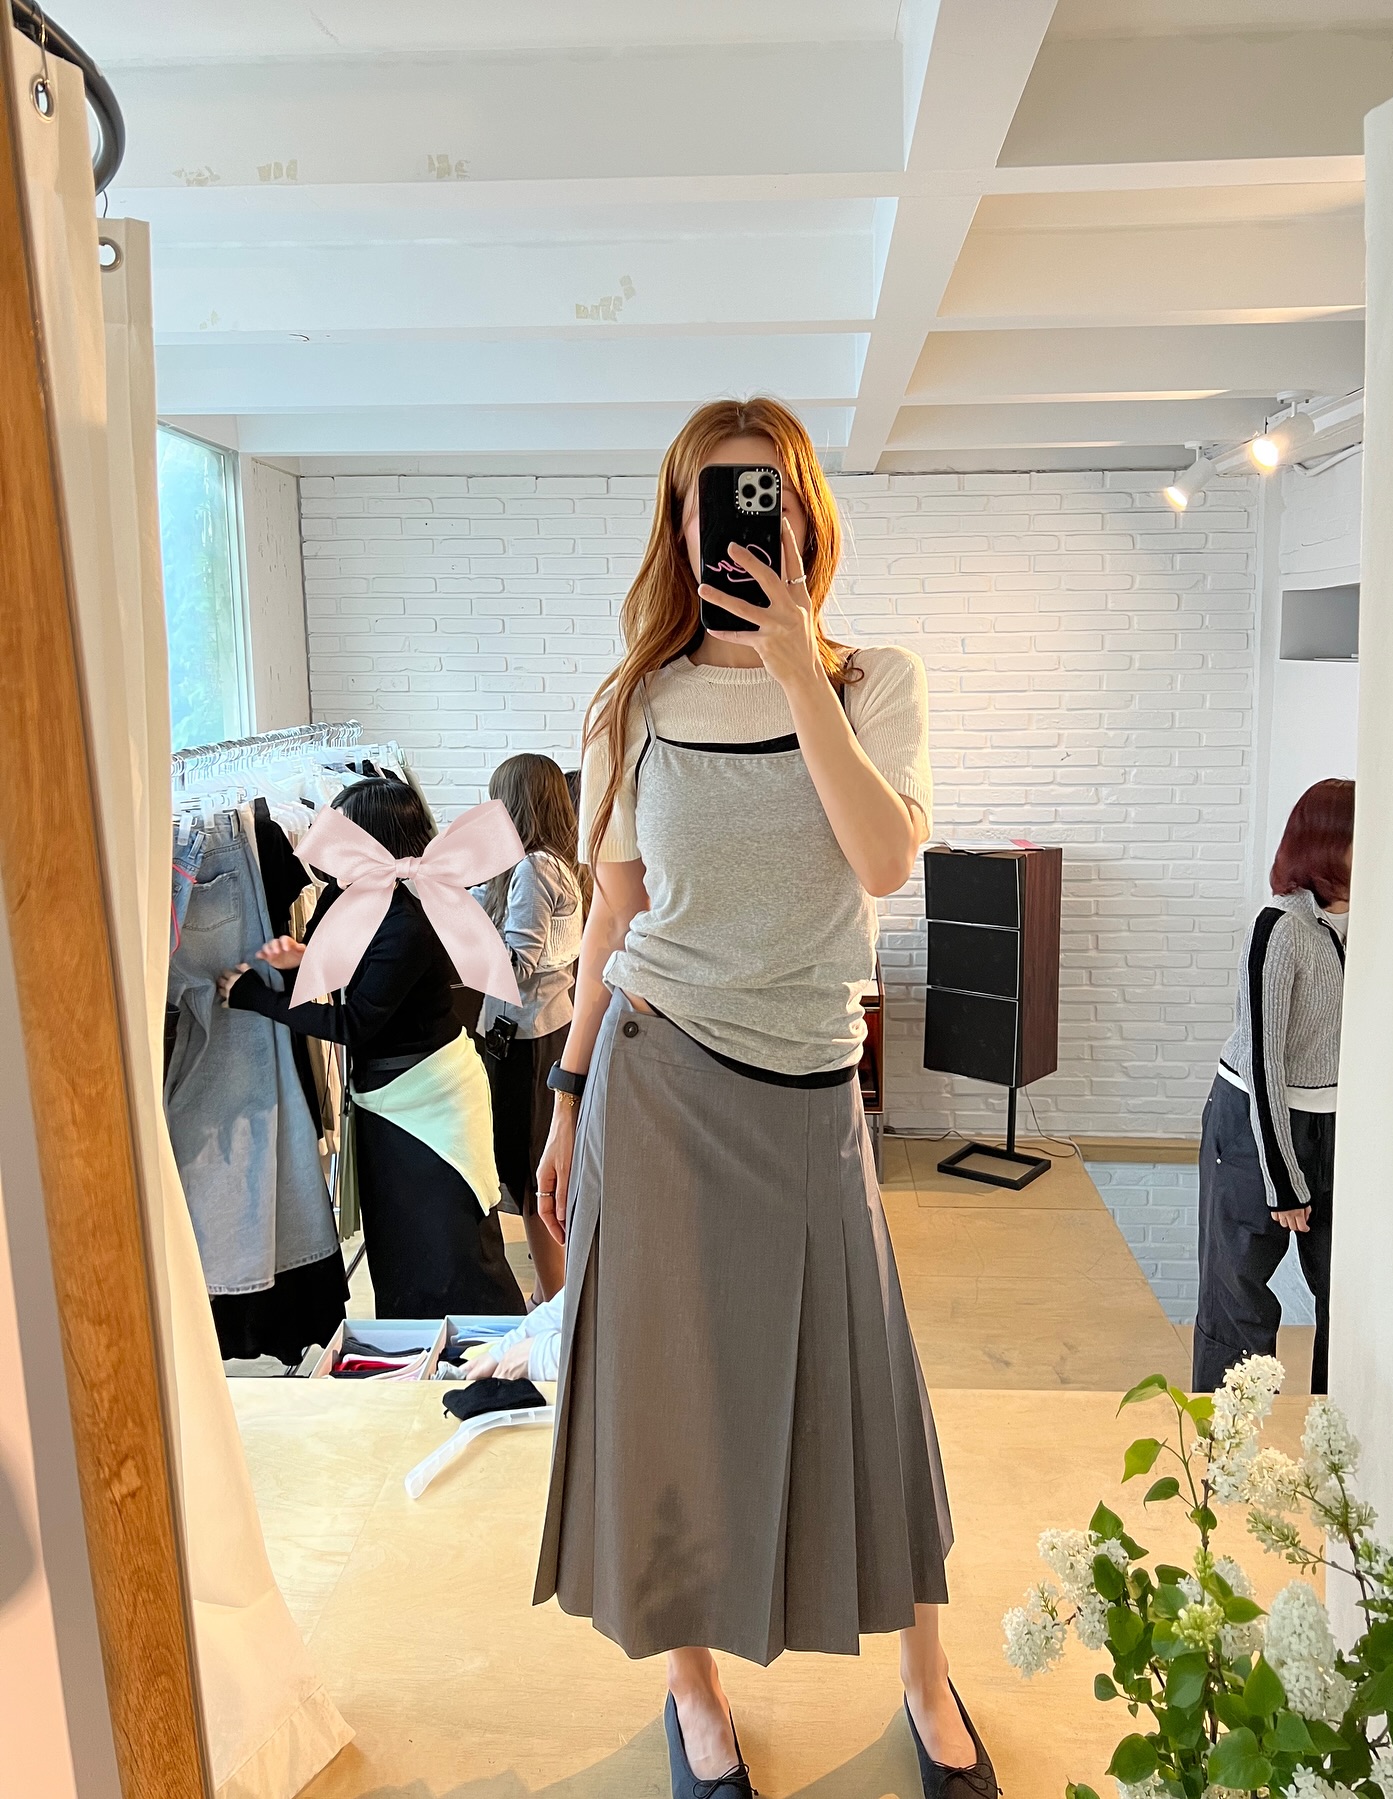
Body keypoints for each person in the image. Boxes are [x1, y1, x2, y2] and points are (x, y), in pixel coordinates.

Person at [531, 397, 995, 1799]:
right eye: (710, 499)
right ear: (680, 526)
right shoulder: (634, 704)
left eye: (766, 493)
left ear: (805, 514)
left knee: (872, 1387)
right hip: (658, 1079)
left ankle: (926, 1679)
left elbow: (884, 862)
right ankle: (697, 1697)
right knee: (670, 1401)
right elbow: (615, 918)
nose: (739, 521)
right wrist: (565, 1093)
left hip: (809, 1089)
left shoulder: (875, 680)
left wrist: (798, 671)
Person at [219, 778, 525, 1320]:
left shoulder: (409, 921)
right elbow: (353, 968)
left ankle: (484, 1348)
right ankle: (413, 1348)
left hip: (431, 1100)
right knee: (401, 1242)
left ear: (372, 840)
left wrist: (255, 998)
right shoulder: (358, 900)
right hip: (388, 1098)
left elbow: (355, 1022)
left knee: (447, 1242)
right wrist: (304, 957)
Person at [1193, 777, 1354, 1397]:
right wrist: (1283, 1178)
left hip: (1336, 1127)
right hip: (1252, 1125)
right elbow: (1265, 1059)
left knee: (1349, 1296)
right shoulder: (1281, 928)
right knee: (1238, 1302)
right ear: (1329, 845)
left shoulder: (1377, 928)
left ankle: (1334, 1448)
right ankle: (1229, 1446)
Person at [479, 754, 585, 1304]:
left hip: (529, 1040)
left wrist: (462, 946)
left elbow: (517, 964)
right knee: (535, 1173)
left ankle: (551, 1302)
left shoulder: (533, 869)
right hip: (545, 1031)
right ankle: (551, 1296)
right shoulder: (555, 864)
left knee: (530, 1176)